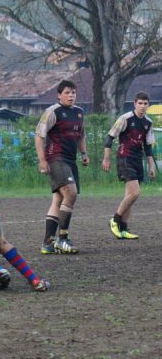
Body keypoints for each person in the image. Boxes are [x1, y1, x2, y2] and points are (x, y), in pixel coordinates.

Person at [35, 80, 89, 255]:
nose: (71, 95)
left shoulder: (80, 113)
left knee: (58, 200)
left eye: (73, 92)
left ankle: (48, 242)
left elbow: (81, 135)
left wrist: (84, 154)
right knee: (71, 193)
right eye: (67, 92)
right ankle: (63, 238)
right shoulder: (52, 112)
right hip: (55, 158)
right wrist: (42, 160)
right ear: (59, 95)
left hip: (71, 159)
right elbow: (39, 136)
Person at [102, 92, 156, 239]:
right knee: (135, 193)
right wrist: (106, 159)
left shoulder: (148, 123)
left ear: (148, 105)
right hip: (125, 158)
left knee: (130, 196)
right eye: (140, 103)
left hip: (138, 160)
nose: (143, 106)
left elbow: (148, 148)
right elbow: (109, 138)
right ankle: (115, 219)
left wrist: (151, 166)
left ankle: (123, 229)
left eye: (145, 103)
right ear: (135, 103)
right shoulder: (125, 118)